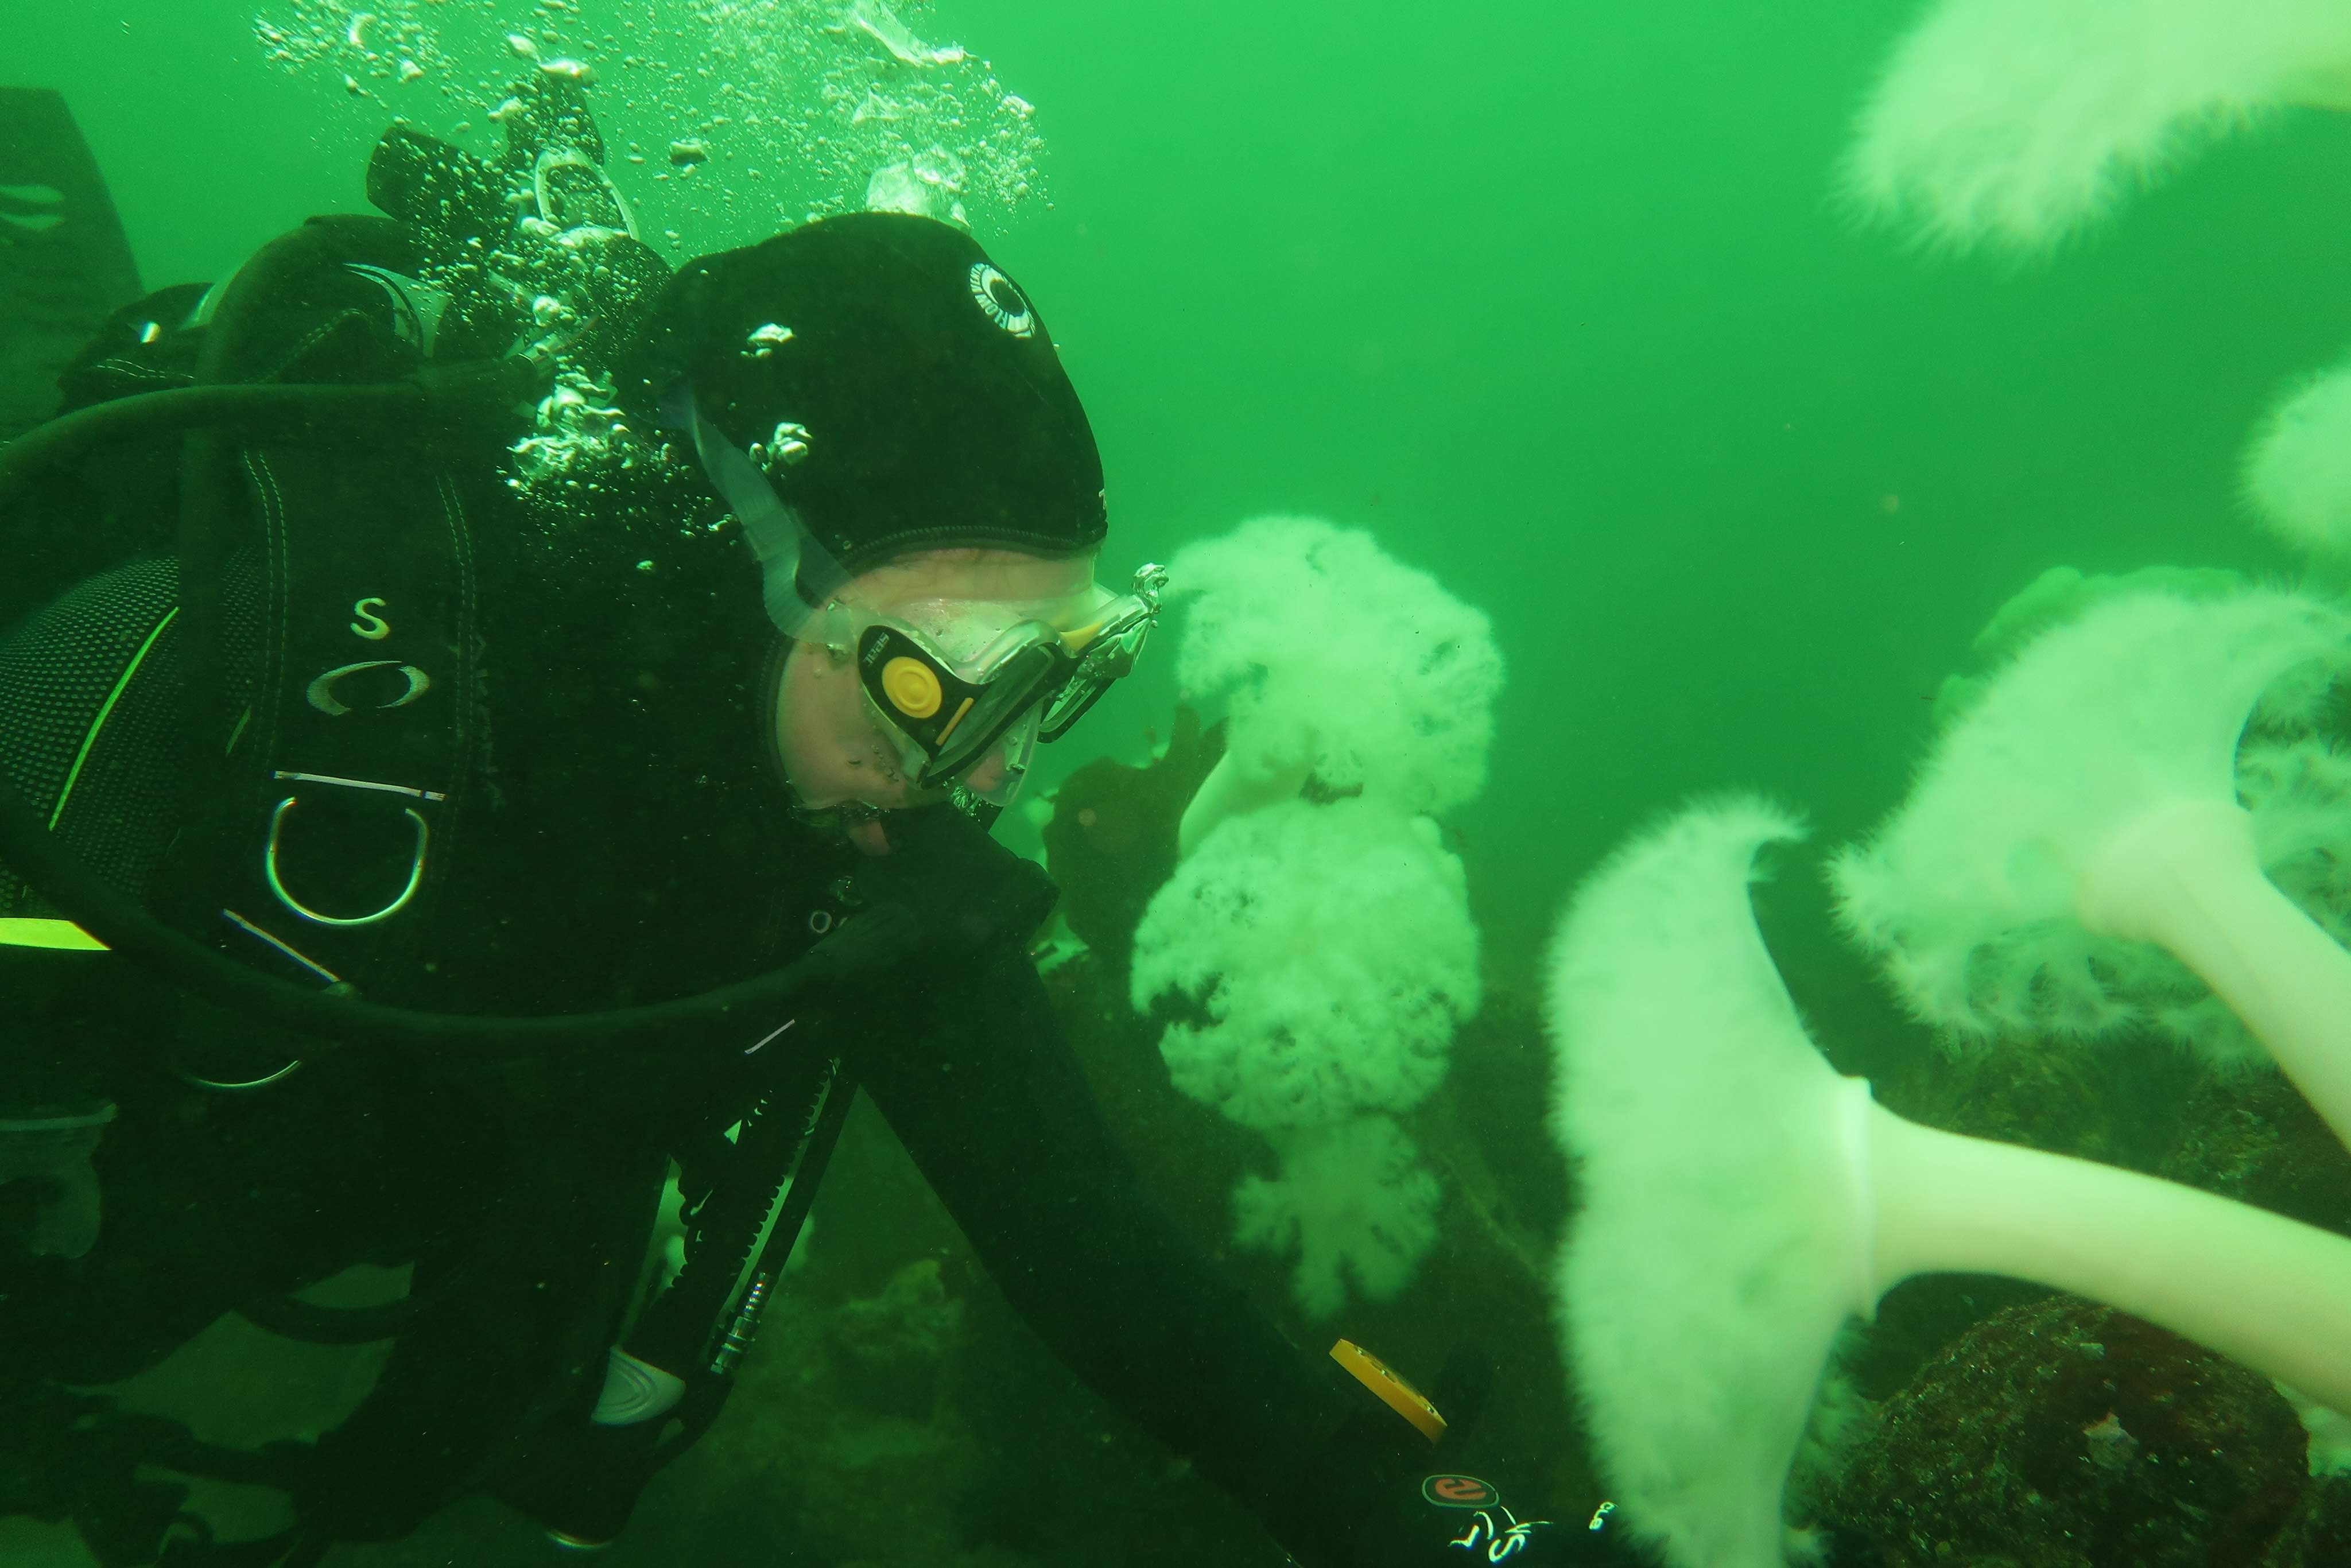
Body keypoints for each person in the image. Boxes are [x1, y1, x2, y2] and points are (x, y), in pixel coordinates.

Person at [0, 86, 1648, 1568]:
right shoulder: (227, 672)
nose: (995, 773)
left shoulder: (852, 844)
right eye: (954, 679)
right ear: (764, 554)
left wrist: (1432, 1532)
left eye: (1056, 680)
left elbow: (1091, 1250)